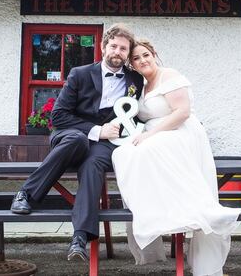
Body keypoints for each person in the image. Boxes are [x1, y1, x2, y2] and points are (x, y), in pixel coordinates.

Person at [10, 23, 144, 262]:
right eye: (113, 46)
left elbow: (136, 112)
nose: (117, 52)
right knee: (77, 141)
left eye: (123, 49)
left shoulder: (135, 80)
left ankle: (80, 237)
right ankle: (26, 194)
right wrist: (96, 130)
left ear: (127, 53)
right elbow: (58, 116)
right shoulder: (80, 73)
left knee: (93, 166)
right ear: (104, 47)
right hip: (71, 135)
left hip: (106, 144)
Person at [112, 39, 241, 276]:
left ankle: (188, 210)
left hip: (179, 132)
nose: (142, 60)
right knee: (124, 152)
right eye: (136, 58)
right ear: (132, 64)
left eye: (145, 55)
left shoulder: (168, 75)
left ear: (154, 54)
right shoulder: (142, 85)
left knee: (144, 149)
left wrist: (150, 135)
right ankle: (154, 209)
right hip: (158, 133)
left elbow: (182, 113)